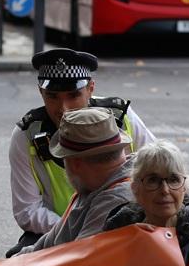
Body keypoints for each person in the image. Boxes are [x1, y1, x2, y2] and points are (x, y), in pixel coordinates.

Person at [8, 48, 155, 254]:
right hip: (55, 228)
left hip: (126, 225)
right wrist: (71, 228)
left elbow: (159, 166)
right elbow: (27, 211)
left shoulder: (121, 116)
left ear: (91, 88)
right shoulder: (27, 134)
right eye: (52, 96)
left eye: (74, 95)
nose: (64, 108)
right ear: (40, 92)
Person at [12, 106, 136, 256]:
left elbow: (76, 260)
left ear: (74, 163)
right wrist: (13, 262)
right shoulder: (93, 189)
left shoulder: (115, 200)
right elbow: (48, 244)